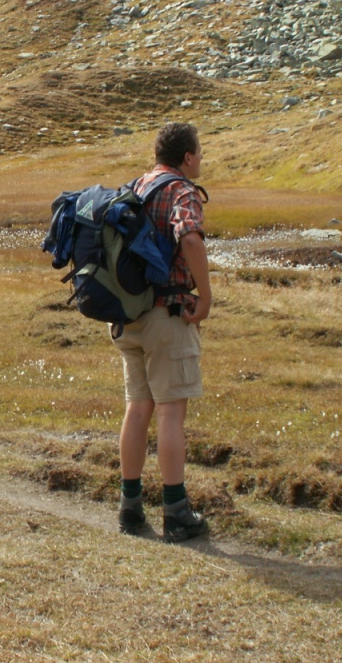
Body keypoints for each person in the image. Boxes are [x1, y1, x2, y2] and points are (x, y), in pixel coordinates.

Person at [114, 122, 210, 543]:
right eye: (199, 153)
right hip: (166, 316)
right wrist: (205, 296)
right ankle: (176, 512)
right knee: (171, 413)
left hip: (128, 316)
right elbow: (190, 238)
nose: (201, 159)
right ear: (187, 157)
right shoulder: (182, 191)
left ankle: (130, 508)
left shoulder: (136, 186)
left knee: (137, 409)